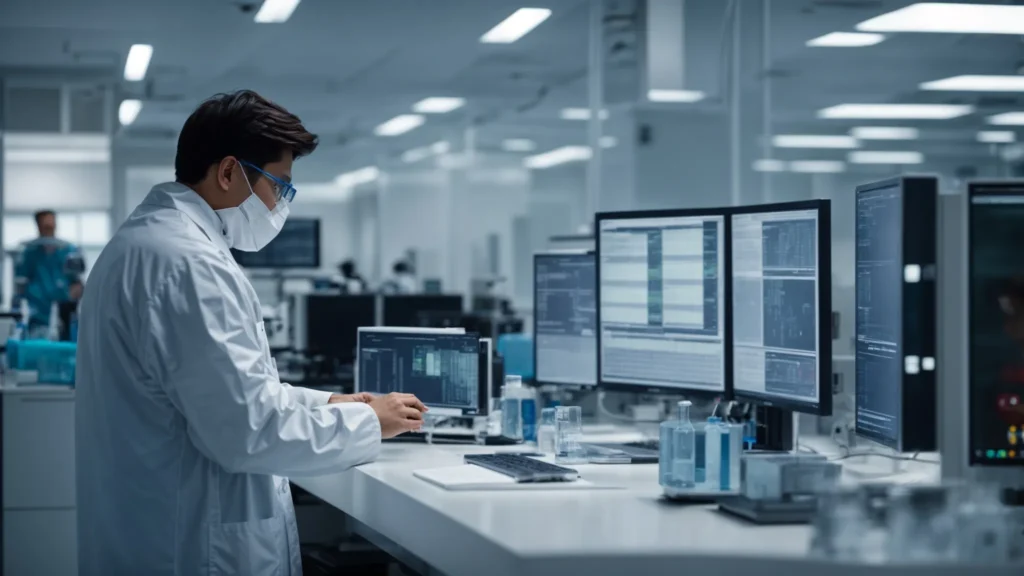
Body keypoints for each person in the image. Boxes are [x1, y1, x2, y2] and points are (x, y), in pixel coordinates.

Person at [75, 90, 428, 576]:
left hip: (155, 528)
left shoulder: (149, 243)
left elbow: (224, 392)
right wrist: (371, 422)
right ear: (228, 173)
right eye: (279, 185)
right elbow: (248, 431)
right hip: (192, 549)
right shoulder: (189, 264)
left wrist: (328, 403)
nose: (281, 203)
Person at [13, 210, 85, 333]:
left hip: (65, 315)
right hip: (37, 317)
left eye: (52, 227)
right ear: (38, 227)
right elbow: (20, 283)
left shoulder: (69, 251)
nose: (49, 231)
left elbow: (77, 283)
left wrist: (73, 292)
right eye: (46, 227)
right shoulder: (29, 253)